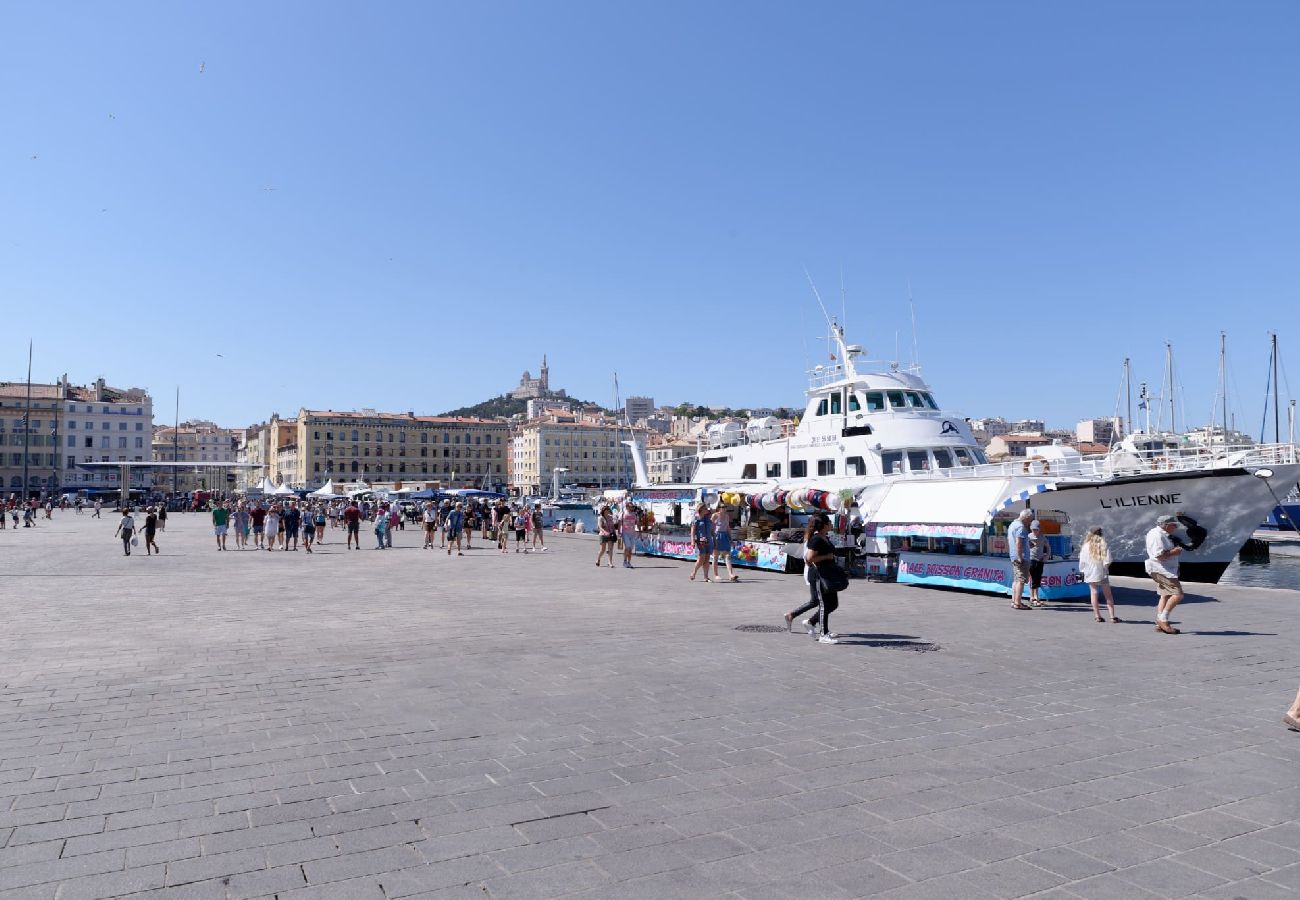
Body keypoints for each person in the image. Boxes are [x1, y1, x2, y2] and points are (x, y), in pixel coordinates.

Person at [784, 514, 841, 643]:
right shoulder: (816, 539)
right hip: (818, 576)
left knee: (833, 604)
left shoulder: (823, 537)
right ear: (824, 525)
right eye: (830, 523)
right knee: (823, 604)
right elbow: (809, 559)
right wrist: (827, 557)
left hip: (828, 574)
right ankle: (823, 634)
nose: (832, 525)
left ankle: (811, 622)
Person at [1146, 514, 1185, 634]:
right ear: (1166, 525)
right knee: (1178, 595)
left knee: (1165, 595)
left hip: (1163, 569)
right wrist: (1175, 552)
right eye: (1174, 525)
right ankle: (1163, 620)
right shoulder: (1157, 536)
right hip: (1162, 570)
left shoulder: (1160, 534)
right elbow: (1159, 555)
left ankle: (1159, 622)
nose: (1175, 527)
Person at [1079, 526, 1121, 623]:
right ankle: (1112, 617)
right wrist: (1105, 568)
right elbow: (1109, 560)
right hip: (1102, 572)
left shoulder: (1085, 546)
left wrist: (1083, 570)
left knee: (1093, 592)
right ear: (1101, 534)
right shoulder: (1103, 544)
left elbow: (1082, 561)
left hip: (1090, 572)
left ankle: (1097, 616)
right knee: (1108, 595)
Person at [1007, 509, 1034, 610]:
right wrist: (1020, 557)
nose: (1030, 522)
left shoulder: (1012, 525)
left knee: (1016, 579)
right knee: (1021, 580)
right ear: (1026, 518)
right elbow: (1019, 543)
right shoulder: (1021, 527)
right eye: (1030, 520)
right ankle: (1018, 603)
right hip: (1020, 557)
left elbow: (1013, 541)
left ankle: (1014, 601)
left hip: (1014, 556)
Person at [1027, 520, 1053, 606]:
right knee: (1033, 578)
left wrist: (1047, 556)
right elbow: (1025, 547)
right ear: (1031, 529)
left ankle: (1035, 596)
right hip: (1031, 559)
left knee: (1037, 578)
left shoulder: (1042, 537)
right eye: (1033, 529)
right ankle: (1033, 597)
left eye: (1036, 529)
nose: (1035, 531)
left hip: (1040, 560)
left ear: (1039, 529)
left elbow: (1048, 547)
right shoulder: (1029, 537)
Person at [711, 504, 737, 582]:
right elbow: (711, 527)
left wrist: (731, 539)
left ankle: (731, 574)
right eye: (723, 507)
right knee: (716, 556)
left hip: (725, 535)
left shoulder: (727, 516)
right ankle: (716, 575)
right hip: (717, 536)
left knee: (728, 555)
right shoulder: (715, 515)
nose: (724, 508)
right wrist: (712, 537)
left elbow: (728, 528)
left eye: (725, 507)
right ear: (719, 508)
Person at [688, 504, 713, 582]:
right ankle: (694, 572)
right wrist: (692, 540)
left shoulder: (707, 518)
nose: (707, 510)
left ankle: (706, 577)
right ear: (701, 509)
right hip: (700, 540)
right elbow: (693, 530)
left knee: (707, 558)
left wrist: (714, 539)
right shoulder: (696, 518)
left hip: (709, 540)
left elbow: (711, 529)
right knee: (701, 558)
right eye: (705, 509)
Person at [619, 501, 639, 569]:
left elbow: (638, 523)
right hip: (625, 532)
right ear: (627, 507)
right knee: (627, 547)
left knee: (630, 549)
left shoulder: (635, 514)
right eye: (630, 506)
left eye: (632, 506)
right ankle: (624, 561)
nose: (632, 508)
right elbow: (619, 522)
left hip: (632, 533)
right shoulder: (623, 513)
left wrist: (639, 531)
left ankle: (629, 562)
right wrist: (619, 532)